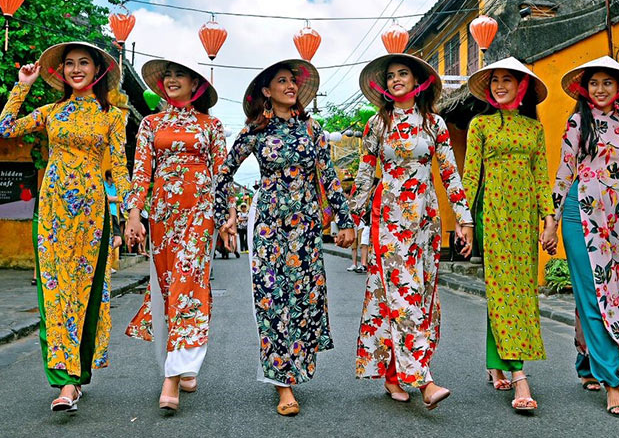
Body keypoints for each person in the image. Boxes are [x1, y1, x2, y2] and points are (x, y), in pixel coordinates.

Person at [214, 58, 354, 416]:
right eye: (282, 81)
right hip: (268, 227)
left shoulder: (313, 130)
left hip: (306, 230)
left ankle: (296, 366)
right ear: (266, 90)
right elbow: (223, 173)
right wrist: (224, 215)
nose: (290, 86)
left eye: (293, 81)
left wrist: (345, 220)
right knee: (273, 301)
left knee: (304, 301)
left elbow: (330, 177)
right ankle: (283, 385)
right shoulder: (255, 132)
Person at [0, 42, 129, 413]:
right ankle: (65, 383)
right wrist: (22, 85)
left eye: (83, 63)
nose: (75, 69)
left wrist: (129, 214)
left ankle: (77, 374)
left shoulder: (112, 116)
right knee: (55, 293)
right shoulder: (52, 111)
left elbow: (118, 168)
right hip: (52, 211)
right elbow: (5, 128)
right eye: (69, 64)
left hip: (91, 212)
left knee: (84, 292)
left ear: (97, 71)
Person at [351, 52, 473, 410]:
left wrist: (463, 219)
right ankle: (425, 381)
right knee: (404, 295)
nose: (395, 80)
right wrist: (351, 219)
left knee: (417, 295)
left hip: (425, 219)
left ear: (418, 82)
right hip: (388, 218)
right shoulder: (378, 125)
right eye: (390, 76)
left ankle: (393, 375)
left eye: (402, 74)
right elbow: (363, 173)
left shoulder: (434, 125)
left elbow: (450, 174)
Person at [548, 56, 619, 419]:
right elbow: (564, 173)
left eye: (607, 83)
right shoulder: (578, 122)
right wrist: (550, 221)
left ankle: (585, 363)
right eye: (593, 83)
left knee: (599, 291)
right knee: (598, 293)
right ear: (585, 88)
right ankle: (612, 381)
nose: (599, 89)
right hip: (579, 212)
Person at [123, 58, 228, 412]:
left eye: (178, 74)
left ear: (195, 84)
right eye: (167, 75)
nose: (170, 80)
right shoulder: (151, 124)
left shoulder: (211, 126)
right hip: (163, 216)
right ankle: (185, 363)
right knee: (169, 289)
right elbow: (141, 174)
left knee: (188, 282)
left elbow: (222, 174)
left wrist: (227, 216)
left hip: (200, 212)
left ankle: (172, 378)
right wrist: (134, 214)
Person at [461, 57, 555, 412]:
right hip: (494, 214)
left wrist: (548, 218)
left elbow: (541, 174)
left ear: (522, 87)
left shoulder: (534, 128)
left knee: (516, 289)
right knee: (504, 287)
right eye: (494, 80)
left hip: (525, 217)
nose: (499, 85)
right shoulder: (480, 125)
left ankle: (494, 359)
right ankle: (519, 375)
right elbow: (471, 175)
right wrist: (465, 219)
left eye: (507, 80)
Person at [103, 170, 123, 272]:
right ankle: (105, 262)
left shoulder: (114, 186)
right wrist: (116, 198)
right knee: (114, 239)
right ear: (109, 177)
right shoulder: (104, 185)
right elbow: (106, 198)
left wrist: (114, 198)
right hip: (108, 214)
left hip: (114, 214)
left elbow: (121, 197)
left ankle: (105, 255)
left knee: (117, 241)